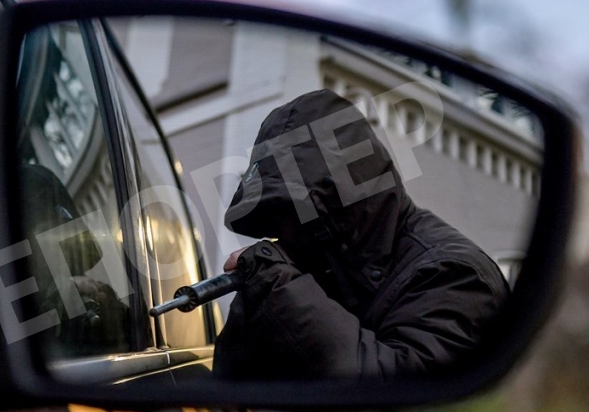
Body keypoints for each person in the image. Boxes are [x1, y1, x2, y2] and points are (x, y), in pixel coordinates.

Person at [212, 89, 509, 380]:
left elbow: (399, 400)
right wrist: (257, 296)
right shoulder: (312, 271)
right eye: (274, 215)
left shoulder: (456, 275)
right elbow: (234, 385)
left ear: (341, 200)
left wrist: (276, 286)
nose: (283, 231)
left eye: (292, 210)